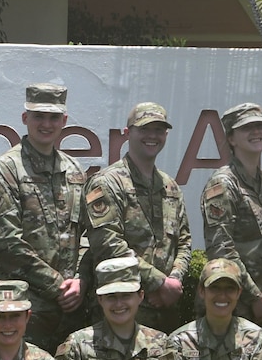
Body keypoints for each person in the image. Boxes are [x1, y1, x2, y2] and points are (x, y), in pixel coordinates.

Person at [0, 84, 89, 352]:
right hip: (23, 310)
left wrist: (80, 281)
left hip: (71, 310)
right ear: (25, 118)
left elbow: (87, 234)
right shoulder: (6, 169)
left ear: (64, 121)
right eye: (39, 116)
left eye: (54, 117)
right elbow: (6, 243)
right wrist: (58, 286)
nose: (46, 123)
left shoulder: (74, 170)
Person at [82, 102, 191, 330]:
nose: (152, 136)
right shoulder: (107, 183)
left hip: (165, 312)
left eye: (159, 130)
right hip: (121, 312)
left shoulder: (170, 186)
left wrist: (174, 282)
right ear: (127, 132)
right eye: (144, 129)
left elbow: (183, 241)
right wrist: (158, 282)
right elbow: (108, 245)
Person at [201, 103, 262, 326]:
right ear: (231, 139)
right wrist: (254, 297)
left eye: (260, 126)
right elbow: (221, 247)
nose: (256, 132)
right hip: (232, 304)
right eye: (247, 128)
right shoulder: (222, 185)